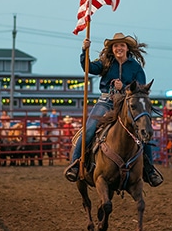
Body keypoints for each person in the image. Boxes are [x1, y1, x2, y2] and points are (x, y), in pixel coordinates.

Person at [64, 32, 163, 187]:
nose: (119, 48)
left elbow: (141, 90)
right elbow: (88, 68)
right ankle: (75, 164)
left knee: (142, 132)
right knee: (89, 129)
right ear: (112, 49)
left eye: (122, 45)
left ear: (127, 48)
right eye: (116, 46)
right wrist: (84, 51)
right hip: (106, 102)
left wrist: (123, 88)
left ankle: (149, 170)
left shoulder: (136, 67)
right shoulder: (106, 62)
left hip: (126, 104)